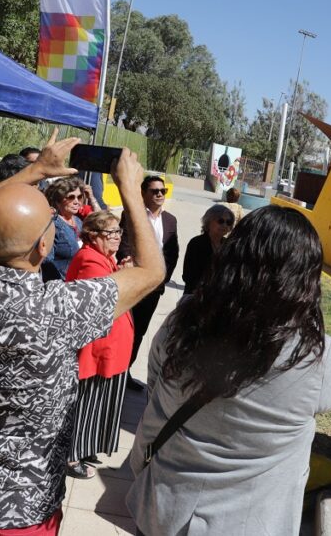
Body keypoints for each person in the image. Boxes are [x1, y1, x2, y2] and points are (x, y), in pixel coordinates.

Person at [0, 130, 166, 535]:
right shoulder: (60, 309)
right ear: (41, 249)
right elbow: (151, 272)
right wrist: (129, 190)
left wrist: (36, 170)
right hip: (25, 512)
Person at [126, 206, 331, 535]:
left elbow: (156, 382)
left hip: (166, 506)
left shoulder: (184, 322)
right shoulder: (317, 354)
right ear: (306, 276)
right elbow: (326, 402)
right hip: (252, 521)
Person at [64, 211, 132, 480]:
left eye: (118, 232)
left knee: (100, 403)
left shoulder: (104, 258)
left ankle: (87, 447)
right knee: (87, 404)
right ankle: (72, 456)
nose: (116, 237)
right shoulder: (91, 260)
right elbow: (105, 300)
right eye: (110, 233)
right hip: (97, 351)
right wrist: (125, 276)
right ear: (92, 236)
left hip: (110, 350)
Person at [118, 175, 179, 379]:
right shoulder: (132, 215)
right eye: (155, 191)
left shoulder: (171, 220)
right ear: (143, 194)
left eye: (163, 191)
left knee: (140, 332)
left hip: (154, 288)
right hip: (134, 282)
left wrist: (161, 279)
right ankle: (116, 372)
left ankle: (126, 372)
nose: (160, 194)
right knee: (124, 330)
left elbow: (173, 253)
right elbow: (125, 245)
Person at [182, 204, 235, 296]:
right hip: (196, 296)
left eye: (229, 222)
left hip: (219, 298)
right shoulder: (196, 243)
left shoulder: (229, 246)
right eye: (221, 221)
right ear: (209, 221)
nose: (224, 225)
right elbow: (188, 275)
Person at [41, 176, 85, 281]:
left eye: (79, 197)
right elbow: (46, 263)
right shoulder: (53, 225)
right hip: (60, 283)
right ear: (58, 201)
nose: (76, 202)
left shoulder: (78, 221)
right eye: (71, 197)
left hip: (78, 281)